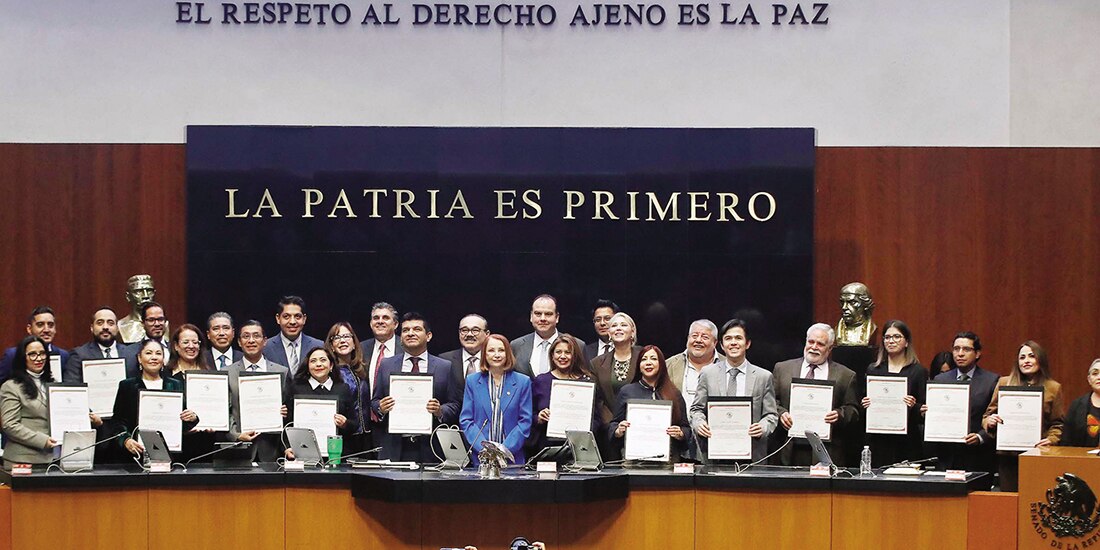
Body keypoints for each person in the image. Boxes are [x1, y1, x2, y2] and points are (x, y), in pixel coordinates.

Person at [2, 336, 102, 470]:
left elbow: (67, 414)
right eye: (32, 354)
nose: (39, 358)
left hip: (56, 459)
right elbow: (9, 425)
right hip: (23, 460)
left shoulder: (54, 384)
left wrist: (89, 418)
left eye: (42, 353)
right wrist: (42, 440)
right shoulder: (11, 387)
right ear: (22, 357)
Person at [371, 312, 458, 463]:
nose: (410, 333)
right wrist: (381, 407)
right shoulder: (386, 365)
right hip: (394, 446)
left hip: (431, 447)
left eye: (417, 329)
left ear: (428, 336)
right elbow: (375, 401)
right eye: (405, 330)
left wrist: (440, 410)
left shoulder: (444, 366)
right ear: (401, 337)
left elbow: (454, 404)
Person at [690, 319, 778, 463]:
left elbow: (771, 415)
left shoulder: (763, 376)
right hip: (715, 454)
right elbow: (696, 409)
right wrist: (699, 424)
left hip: (752, 455)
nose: (733, 343)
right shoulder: (708, 373)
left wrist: (762, 428)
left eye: (738, 338)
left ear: (747, 344)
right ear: (722, 345)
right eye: (728, 338)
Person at [773, 323, 860, 466]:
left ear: (830, 348)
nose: (814, 347)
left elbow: (853, 410)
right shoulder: (782, 369)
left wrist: (839, 414)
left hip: (826, 449)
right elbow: (771, 402)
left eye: (820, 344)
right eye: (811, 342)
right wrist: (781, 413)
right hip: (788, 448)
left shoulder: (845, 375)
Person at [982, 340, 1064, 491]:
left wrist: (1051, 439)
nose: (1026, 361)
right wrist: (989, 421)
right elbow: (988, 415)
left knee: (1034, 497)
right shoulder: (1004, 383)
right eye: (1022, 357)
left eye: (1031, 356)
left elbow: (1058, 423)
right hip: (1008, 456)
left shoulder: (1053, 387)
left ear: (1040, 359)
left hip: (1038, 454)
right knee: (1010, 499)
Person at [112, 339, 199, 459]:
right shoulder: (127, 386)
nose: (154, 357)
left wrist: (192, 418)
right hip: (136, 454)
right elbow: (117, 422)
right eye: (148, 353)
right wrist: (126, 440)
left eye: (158, 353)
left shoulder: (175, 384)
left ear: (163, 359)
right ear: (139, 358)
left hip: (170, 453)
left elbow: (180, 423)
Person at [925, 331, 998, 474]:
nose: (960, 354)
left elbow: (996, 416)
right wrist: (927, 412)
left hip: (977, 457)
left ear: (977, 353)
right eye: (956, 349)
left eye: (966, 349)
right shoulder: (940, 380)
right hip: (946, 456)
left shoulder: (991, 381)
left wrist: (981, 437)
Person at [460, 334, 533, 465]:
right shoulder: (472, 381)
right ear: (484, 354)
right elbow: (466, 420)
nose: (497, 355)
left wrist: (502, 451)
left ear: (508, 353)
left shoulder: (523, 382)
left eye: (501, 350)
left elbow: (525, 421)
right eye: (491, 350)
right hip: (481, 459)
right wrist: (485, 449)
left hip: (512, 459)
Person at [861, 320, 927, 466]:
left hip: (907, 441)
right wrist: (865, 403)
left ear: (907, 342)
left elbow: (923, 410)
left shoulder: (918, 371)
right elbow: (863, 404)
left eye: (897, 337)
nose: (891, 341)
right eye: (887, 337)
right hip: (878, 439)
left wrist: (914, 405)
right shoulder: (874, 369)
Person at [609, 345, 690, 461]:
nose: (648, 363)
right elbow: (613, 425)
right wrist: (618, 430)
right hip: (634, 460)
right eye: (644, 359)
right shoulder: (627, 391)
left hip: (668, 460)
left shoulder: (674, 393)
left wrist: (680, 434)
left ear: (661, 364)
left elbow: (686, 428)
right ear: (639, 365)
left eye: (653, 359)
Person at [527, 333, 601, 456]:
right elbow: (530, 414)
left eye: (567, 352)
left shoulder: (587, 382)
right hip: (548, 448)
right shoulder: (541, 381)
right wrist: (539, 418)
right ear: (552, 355)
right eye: (558, 352)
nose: (562, 356)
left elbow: (597, 419)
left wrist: (585, 429)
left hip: (580, 448)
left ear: (575, 356)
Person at [227, 320, 290, 462]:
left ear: (265, 341)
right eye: (246, 336)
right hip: (238, 450)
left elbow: (290, 413)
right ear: (239, 342)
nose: (251, 340)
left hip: (272, 449)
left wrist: (285, 412)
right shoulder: (227, 372)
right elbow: (225, 411)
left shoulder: (281, 371)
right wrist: (236, 435)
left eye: (256, 336)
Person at [286, 347, 359, 446]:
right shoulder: (296, 388)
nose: (318, 364)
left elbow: (355, 424)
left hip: (335, 449)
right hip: (303, 448)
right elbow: (288, 423)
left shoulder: (343, 389)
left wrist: (345, 423)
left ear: (331, 365)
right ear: (308, 367)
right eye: (313, 361)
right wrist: (287, 447)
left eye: (323, 360)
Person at [165, 324, 218, 462]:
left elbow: (217, 407)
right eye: (186, 342)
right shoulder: (165, 375)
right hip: (176, 446)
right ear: (176, 346)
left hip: (205, 444)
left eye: (195, 342)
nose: (191, 346)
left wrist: (215, 422)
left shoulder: (211, 374)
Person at [324, 322, 372, 454]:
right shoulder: (329, 373)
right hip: (342, 436)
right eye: (337, 337)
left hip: (367, 437)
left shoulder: (363, 369)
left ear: (354, 343)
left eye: (346, 336)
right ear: (332, 346)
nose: (342, 340)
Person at [511, 294, 585, 378]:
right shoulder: (516, 346)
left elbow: (585, 379)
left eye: (548, 314)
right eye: (538, 314)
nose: (542, 318)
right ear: (531, 316)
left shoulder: (578, 345)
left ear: (557, 317)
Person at [63, 306, 140, 383]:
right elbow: (71, 385)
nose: (105, 327)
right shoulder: (79, 354)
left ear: (117, 328)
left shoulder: (131, 354)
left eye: (110, 323)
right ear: (92, 328)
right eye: (100, 323)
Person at [590, 312, 642, 424]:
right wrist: (612, 424)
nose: (618, 328)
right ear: (609, 333)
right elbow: (596, 399)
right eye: (614, 326)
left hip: (639, 422)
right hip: (608, 426)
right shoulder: (597, 363)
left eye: (623, 325)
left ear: (632, 332)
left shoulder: (644, 357)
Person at [0, 306, 70, 386]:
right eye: (40, 325)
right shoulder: (12, 355)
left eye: (50, 325)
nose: (46, 330)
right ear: (29, 329)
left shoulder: (63, 355)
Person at [667, 320, 723, 410]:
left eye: (705, 337)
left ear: (715, 342)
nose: (698, 340)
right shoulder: (669, 365)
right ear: (688, 338)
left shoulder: (727, 365)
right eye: (694, 336)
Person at [262, 296, 323, 377]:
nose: (292, 322)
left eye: (297, 316)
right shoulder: (265, 347)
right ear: (278, 318)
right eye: (286, 316)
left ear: (304, 319)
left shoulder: (318, 346)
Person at [441, 314, 491, 404]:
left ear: (487, 334)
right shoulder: (445, 360)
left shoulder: (494, 360)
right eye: (464, 330)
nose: (469, 334)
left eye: (475, 330)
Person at [1059, 359, 1100, 447]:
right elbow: (1066, 440)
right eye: (1095, 373)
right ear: (1089, 379)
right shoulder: (1076, 405)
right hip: (1082, 455)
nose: (1099, 377)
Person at [117, 274, 159, 343]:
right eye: (139, 291)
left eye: (149, 291)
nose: (146, 296)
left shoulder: (163, 325)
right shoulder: (120, 326)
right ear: (128, 296)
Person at [583, 299, 619, 364]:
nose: (602, 323)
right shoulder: (585, 351)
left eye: (607, 318)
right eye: (598, 320)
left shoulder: (628, 349)